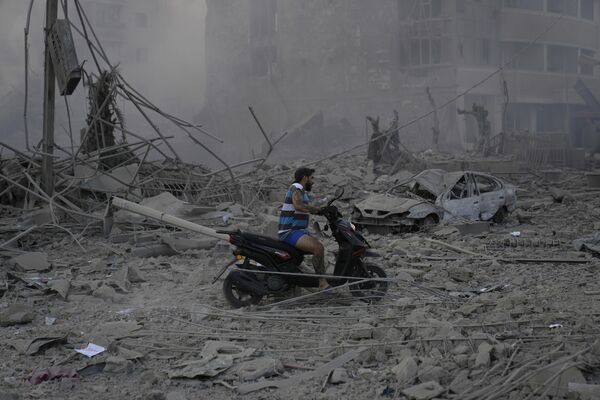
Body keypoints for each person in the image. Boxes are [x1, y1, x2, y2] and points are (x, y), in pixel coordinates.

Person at [278, 167, 329, 290]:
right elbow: (299, 205)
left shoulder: (301, 191)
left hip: (298, 231)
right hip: (290, 231)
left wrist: (323, 208)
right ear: (305, 177)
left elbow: (307, 204)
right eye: (312, 178)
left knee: (317, 248)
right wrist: (318, 210)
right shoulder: (296, 187)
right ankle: (322, 283)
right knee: (318, 248)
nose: (313, 181)